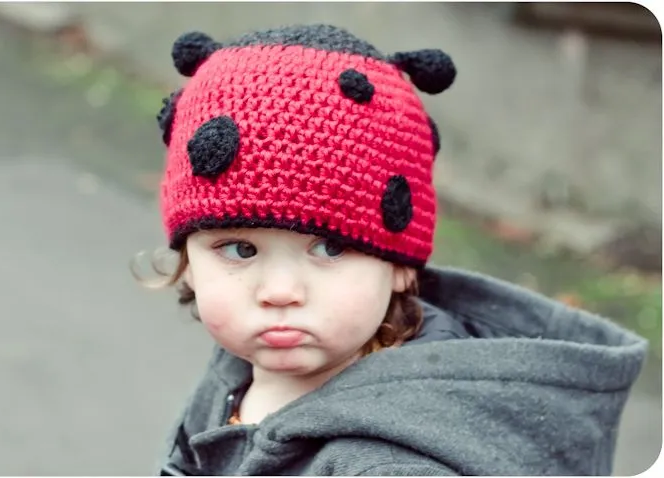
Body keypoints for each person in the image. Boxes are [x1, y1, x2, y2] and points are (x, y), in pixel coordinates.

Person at [138, 24, 648, 476]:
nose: (279, 291)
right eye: (240, 250)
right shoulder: (243, 366)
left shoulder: (388, 464)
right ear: (190, 261)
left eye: (330, 247)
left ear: (401, 265)